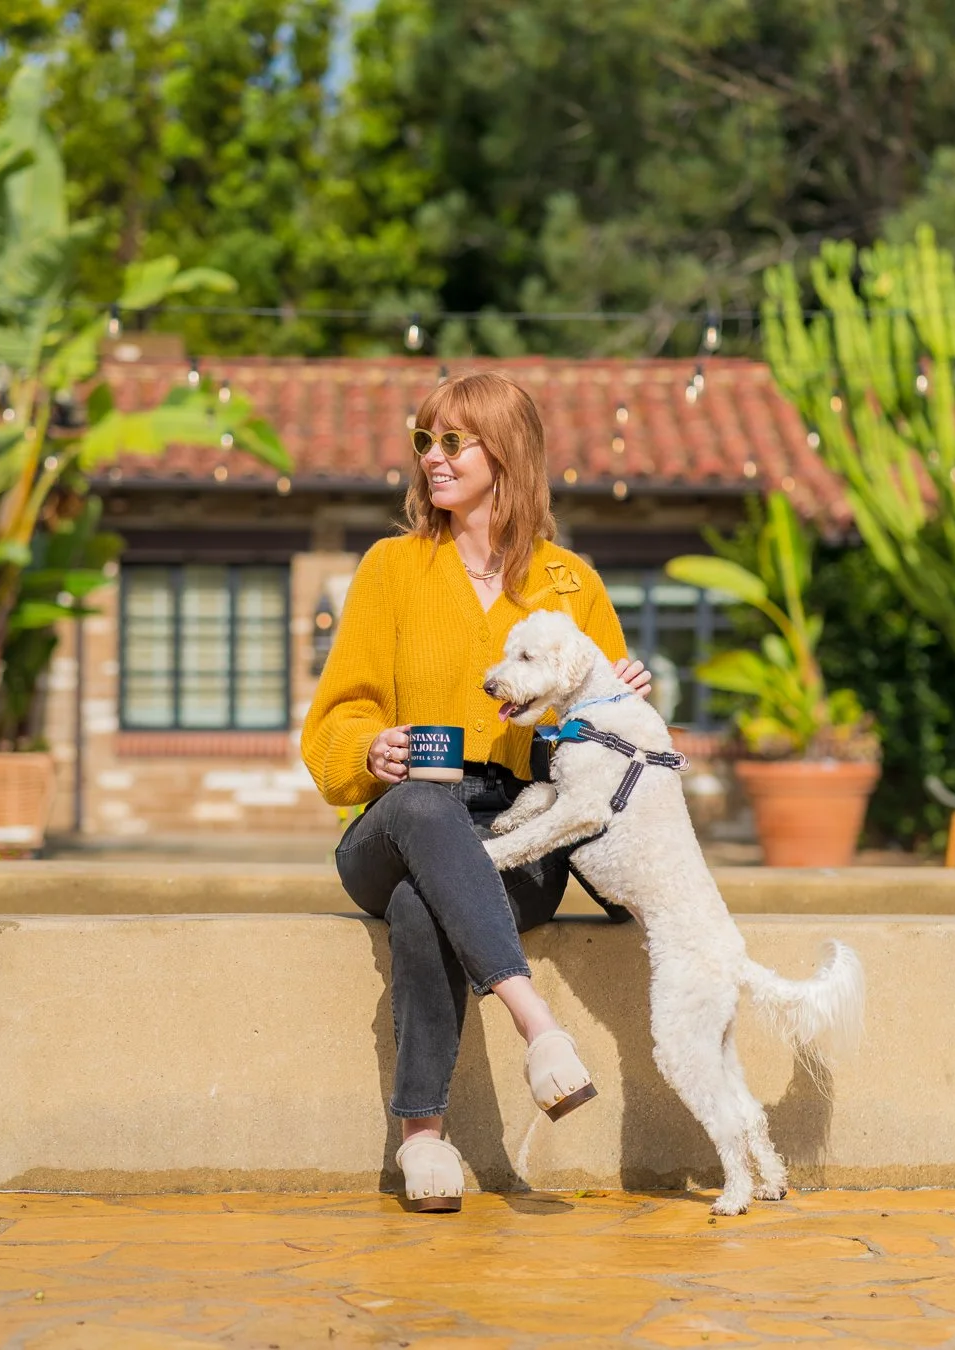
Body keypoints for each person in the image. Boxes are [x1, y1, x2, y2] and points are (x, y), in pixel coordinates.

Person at [301, 371, 650, 1212]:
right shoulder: (391, 568)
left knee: (426, 907)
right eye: (425, 441)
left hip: (517, 827)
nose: (433, 459)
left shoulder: (572, 583)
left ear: (507, 451)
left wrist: (618, 699)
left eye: (453, 441)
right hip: (395, 816)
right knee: (424, 807)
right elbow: (332, 718)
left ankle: (422, 1136)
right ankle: (539, 1027)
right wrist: (369, 748)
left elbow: (604, 748)